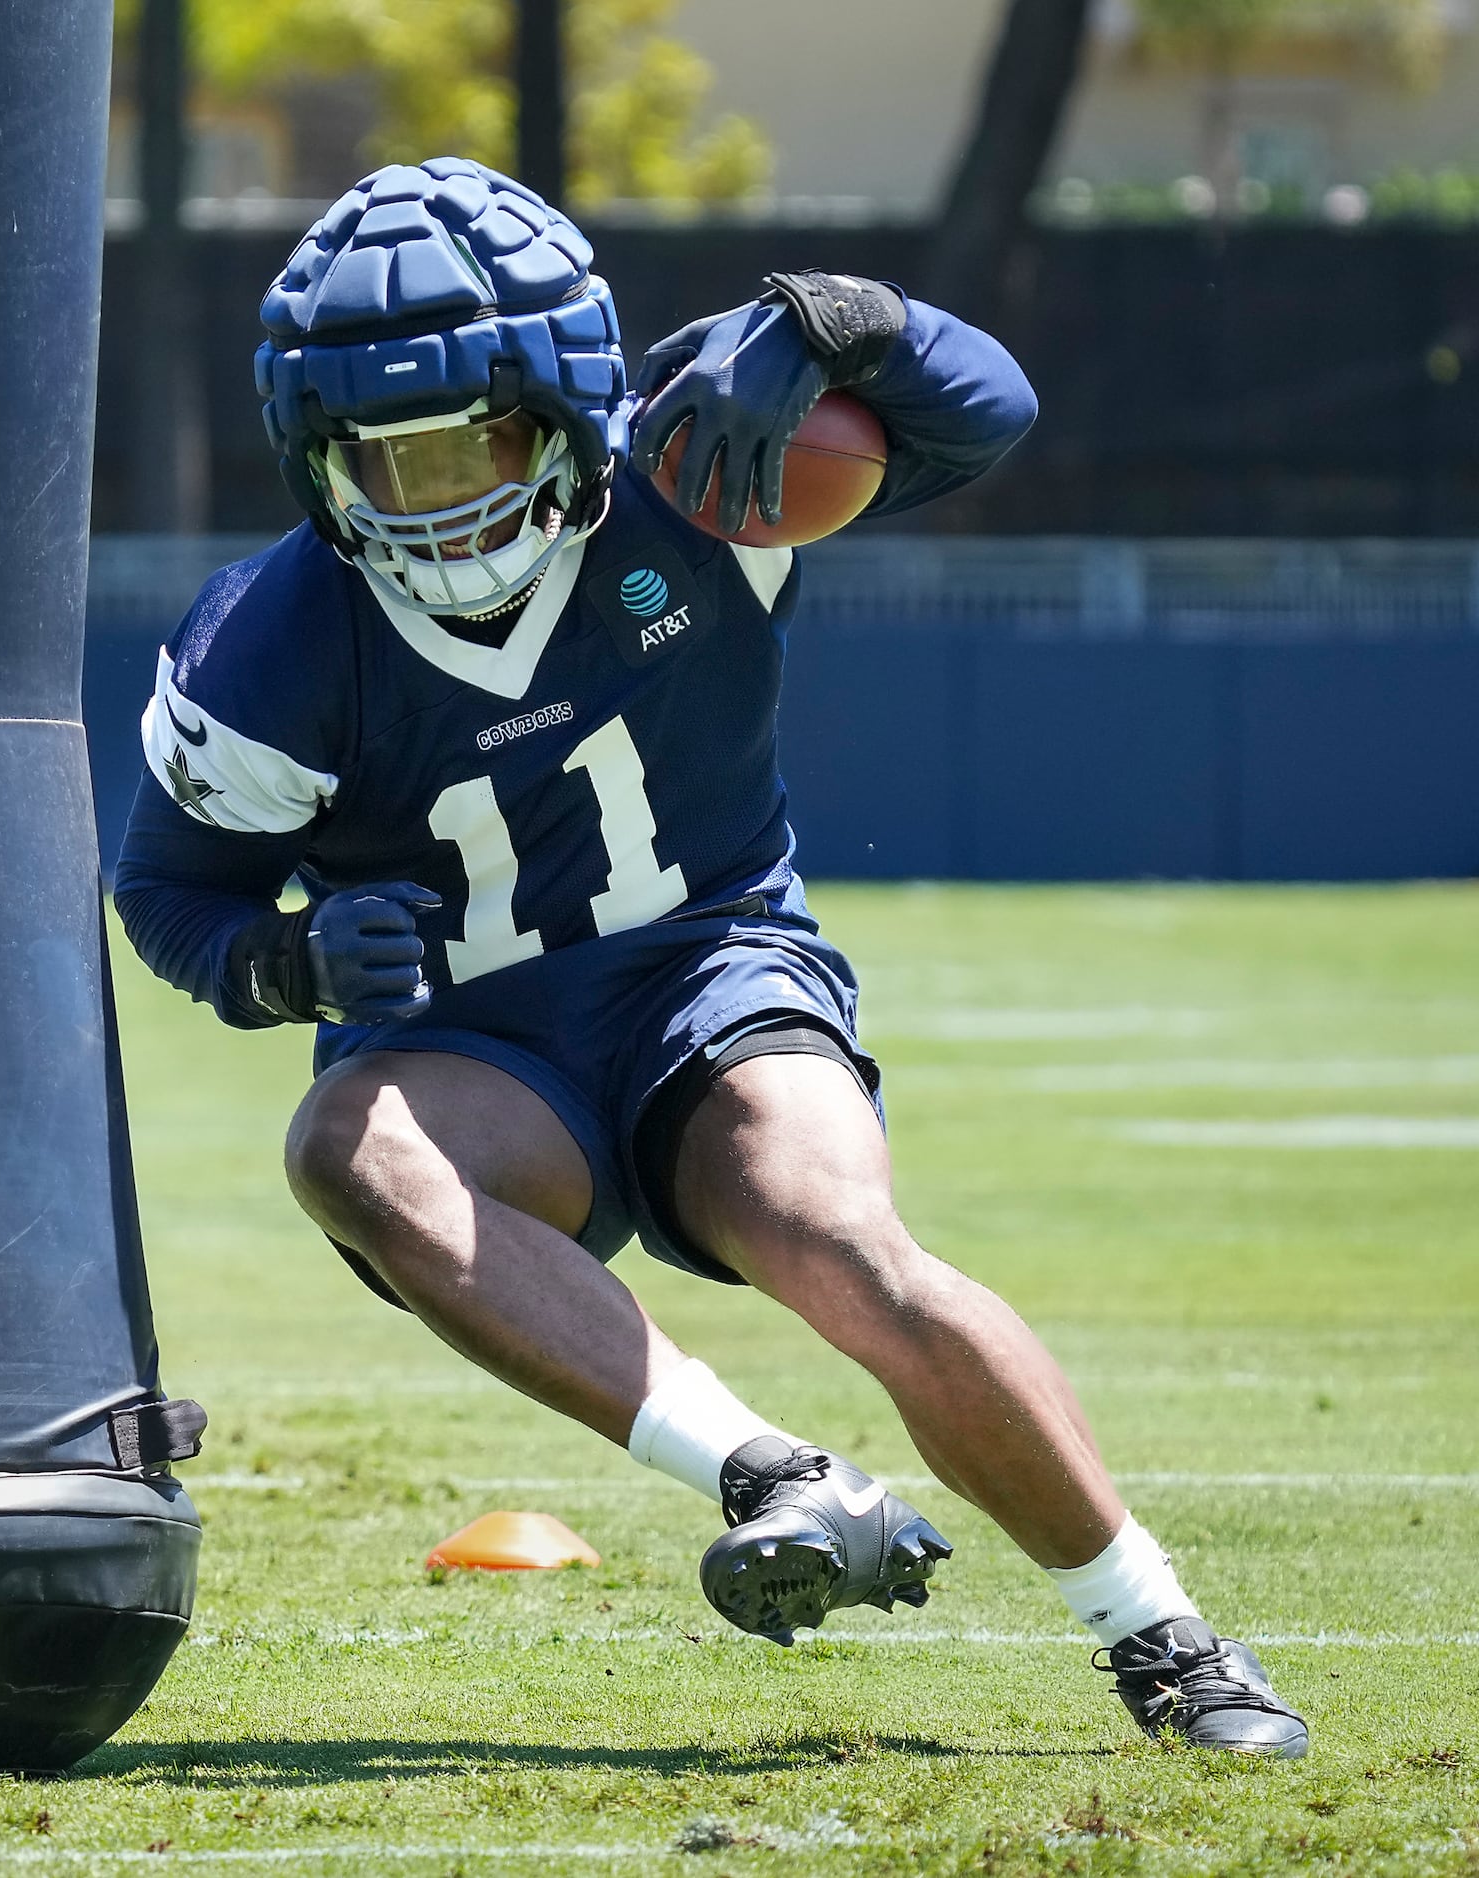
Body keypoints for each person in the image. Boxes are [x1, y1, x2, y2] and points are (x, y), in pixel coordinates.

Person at [114, 159, 1306, 1756]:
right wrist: (283, 967)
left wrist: (831, 324)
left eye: (477, 440)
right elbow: (169, 889)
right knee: (347, 1143)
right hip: (476, 1050)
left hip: (708, 971)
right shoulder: (274, 638)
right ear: (317, 462)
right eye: (382, 466)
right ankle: (772, 1474)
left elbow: (986, 410)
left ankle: (1162, 1630)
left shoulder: (699, 472)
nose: (439, 499)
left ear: (566, 403)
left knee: (842, 1241)